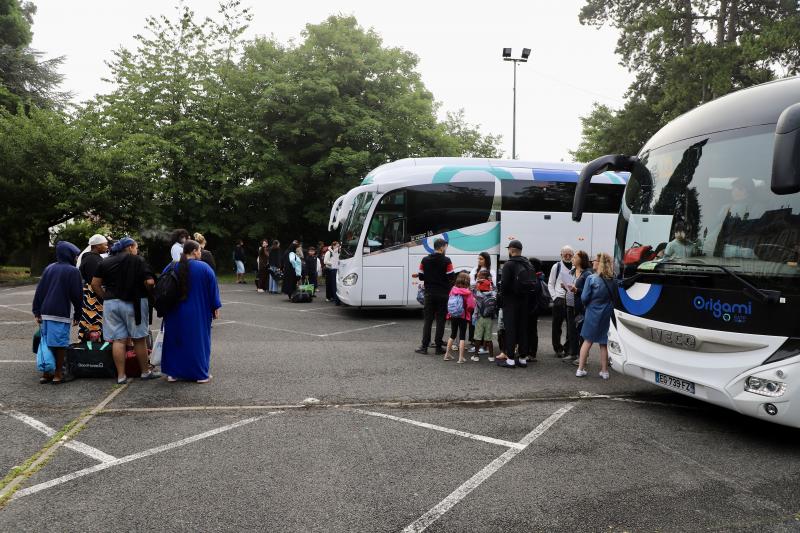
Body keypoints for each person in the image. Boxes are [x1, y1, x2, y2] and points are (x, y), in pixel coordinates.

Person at [91, 236, 160, 384]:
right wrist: (150, 291)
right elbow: (149, 281)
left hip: (111, 303)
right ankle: (144, 372)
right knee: (139, 339)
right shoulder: (138, 261)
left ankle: (121, 375)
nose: (137, 250)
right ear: (129, 248)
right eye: (136, 247)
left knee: (118, 340)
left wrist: (106, 297)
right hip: (134, 303)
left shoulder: (105, 261)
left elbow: (95, 284)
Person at [161, 240, 222, 383]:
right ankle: (200, 374)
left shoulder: (171, 266)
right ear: (194, 251)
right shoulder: (204, 268)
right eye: (199, 250)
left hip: (173, 310)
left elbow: (161, 285)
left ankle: (173, 373)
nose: (200, 253)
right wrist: (215, 307)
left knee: (174, 341)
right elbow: (213, 290)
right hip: (198, 311)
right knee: (197, 342)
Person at [32, 241, 83, 384]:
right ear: (69, 255)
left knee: (47, 343)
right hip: (61, 312)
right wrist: (78, 314)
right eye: (74, 255)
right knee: (60, 345)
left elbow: (40, 290)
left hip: (45, 311)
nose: (75, 258)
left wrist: (37, 311)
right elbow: (77, 295)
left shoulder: (49, 268)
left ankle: (46, 373)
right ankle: (58, 374)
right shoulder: (73, 271)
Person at [576, 253, 616, 380]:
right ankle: (604, 371)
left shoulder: (591, 279)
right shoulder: (613, 279)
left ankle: (580, 369)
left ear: (600, 263)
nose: (592, 262)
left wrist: (588, 304)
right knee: (603, 342)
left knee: (587, 340)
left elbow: (584, 297)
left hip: (592, 310)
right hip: (606, 311)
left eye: (595, 261)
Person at [415, 237, 455, 355]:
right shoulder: (447, 260)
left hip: (429, 293)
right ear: (442, 247)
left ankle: (424, 347)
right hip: (443, 294)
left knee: (428, 321)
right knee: (441, 321)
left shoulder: (425, 260)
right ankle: (438, 347)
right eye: (445, 247)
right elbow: (451, 276)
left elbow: (421, 276)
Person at [497, 239, 533, 368]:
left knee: (511, 329)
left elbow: (504, 285)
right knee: (523, 329)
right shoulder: (528, 264)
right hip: (525, 301)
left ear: (511, 250)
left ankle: (510, 359)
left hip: (511, 302)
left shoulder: (509, 264)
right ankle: (523, 358)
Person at [78, 234, 109, 342]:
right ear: (97, 246)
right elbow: (94, 282)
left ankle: (91, 343)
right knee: (93, 322)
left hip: (91, 293)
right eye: (105, 245)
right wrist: (104, 296)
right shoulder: (92, 259)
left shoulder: (92, 257)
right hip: (93, 296)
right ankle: (94, 347)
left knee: (91, 322)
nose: (107, 247)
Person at [563, 250, 591, 364]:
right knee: (571, 330)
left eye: (575, 257)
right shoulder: (572, 271)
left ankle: (583, 357)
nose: (572, 258)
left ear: (581, 259)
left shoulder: (587, 274)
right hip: (570, 303)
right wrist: (566, 287)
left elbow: (588, 291)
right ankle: (573, 353)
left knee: (581, 332)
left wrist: (577, 290)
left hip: (580, 306)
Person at [548, 245, 576, 358]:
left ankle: (568, 348)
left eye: (570, 255)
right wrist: (554, 297)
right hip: (559, 298)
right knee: (556, 326)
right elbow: (550, 283)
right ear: (561, 254)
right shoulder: (557, 266)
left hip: (571, 298)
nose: (568, 256)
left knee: (571, 326)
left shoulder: (575, 267)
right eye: (566, 254)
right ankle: (557, 348)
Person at [467, 252, 496, 354]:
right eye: (478, 259)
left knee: (485, 323)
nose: (479, 261)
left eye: (481, 259)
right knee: (474, 321)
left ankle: (484, 346)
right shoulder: (475, 270)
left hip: (486, 302)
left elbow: (493, 287)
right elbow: (471, 285)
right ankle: (474, 343)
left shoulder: (491, 272)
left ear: (486, 260)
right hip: (475, 300)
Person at [444, 272, 476, 363]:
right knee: (462, 336)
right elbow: (470, 306)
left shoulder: (453, 289)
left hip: (453, 315)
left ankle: (447, 354)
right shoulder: (468, 293)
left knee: (452, 334)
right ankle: (461, 358)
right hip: (463, 316)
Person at [523, 257, 545, 363]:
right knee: (531, 330)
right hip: (533, 309)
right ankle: (530, 352)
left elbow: (531, 296)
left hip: (531, 309)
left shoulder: (534, 279)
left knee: (530, 331)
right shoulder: (538, 277)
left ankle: (530, 353)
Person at [471, 270, 496, 363]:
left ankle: (476, 355)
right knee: (488, 338)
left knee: (478, 337)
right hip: (489, 318)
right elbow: (495, 289)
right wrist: (490, 282)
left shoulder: (478, 295)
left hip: (480, 318)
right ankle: (491, 356)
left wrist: (477, 282)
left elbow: (472, 289)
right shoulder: (492, 294)